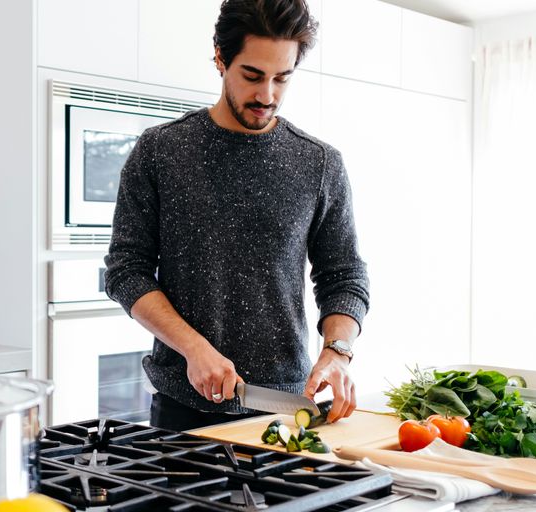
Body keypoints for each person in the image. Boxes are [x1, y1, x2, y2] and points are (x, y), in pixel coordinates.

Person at [103, 0, 369, 432]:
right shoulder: (160, 152)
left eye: (282, 78)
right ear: (220, 58)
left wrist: (338, 351)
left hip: (286, 407)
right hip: (182, 411)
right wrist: (193, 348)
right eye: (252, 75)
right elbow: (126, 272)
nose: (267, 95)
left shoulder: (319, 164)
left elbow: (344, 277)